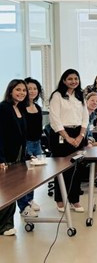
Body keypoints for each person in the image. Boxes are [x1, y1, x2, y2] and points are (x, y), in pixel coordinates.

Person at [49, 69, 89, 213]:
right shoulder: (57, 95)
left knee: (77, 168)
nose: (73, 81)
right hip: (61, 134)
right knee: (61, 169)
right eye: (70, 78)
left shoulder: (80, 95)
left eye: (76, 78)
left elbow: (86, 117)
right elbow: (54, 118)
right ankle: (60, 199)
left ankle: (74, 200)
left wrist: (80, 136)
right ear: (64, 80)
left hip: (78, 133)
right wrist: (67, 137)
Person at [0, 80, 28, 236]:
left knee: (12, 190)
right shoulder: (4, 108)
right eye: (18, 89)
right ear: (10, 91)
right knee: (7, 192)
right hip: (6, 156)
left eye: (24, 90)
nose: (22, 92)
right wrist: (0, 158)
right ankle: (4, 226)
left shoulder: (19, 108)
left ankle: (7, 223)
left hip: (18, 156)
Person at [18, 77, 44, 218]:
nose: (32, 91)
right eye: (29, 89)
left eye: (35, 88)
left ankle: (30, 199)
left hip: (37, 143)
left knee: (34, 175)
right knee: (24, 177)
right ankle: (23, 207)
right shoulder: (20, 107)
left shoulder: (38, 107)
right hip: (26, 144)